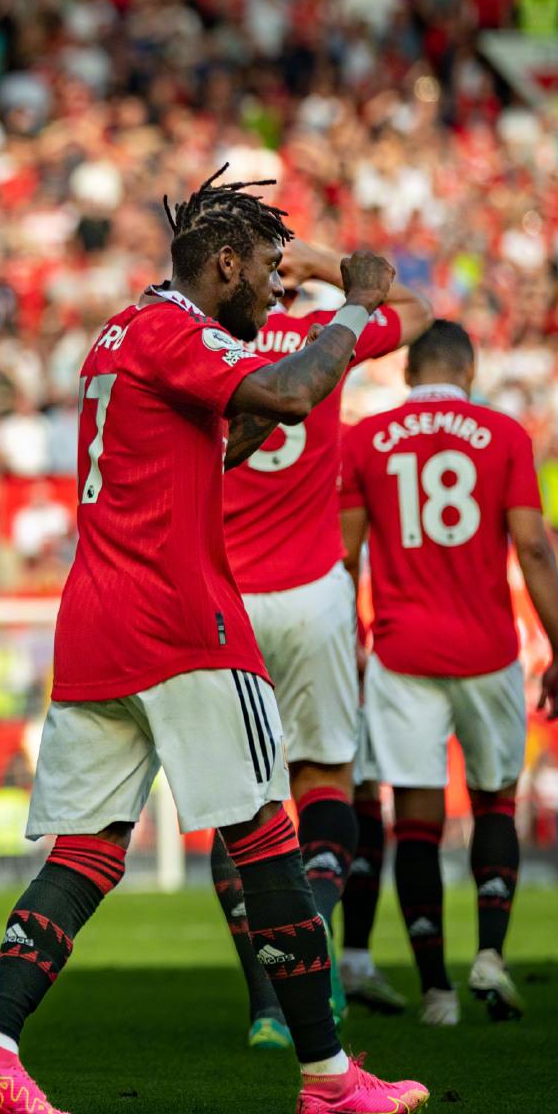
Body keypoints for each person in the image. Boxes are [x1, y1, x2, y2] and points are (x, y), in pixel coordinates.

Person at [0, 168, 428, 1114]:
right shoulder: (180, 330)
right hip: (184, 622)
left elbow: (207, 442)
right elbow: (290, 393)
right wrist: (355, 306)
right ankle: (328, 1078)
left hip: (97, 623)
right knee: (266, 834)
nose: (277, 296)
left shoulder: (123, 332)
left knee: (86, 850)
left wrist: (242, 420)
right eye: (270, 277)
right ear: (226, 262)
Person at [209, 239, 433, 1047]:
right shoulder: (323, 339)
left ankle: (268, 1003)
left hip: (226, 597)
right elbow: (419, 314)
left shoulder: (208, 338)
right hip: (312, 593)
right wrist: (327, 264)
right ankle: (318, 931)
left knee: (236, 803)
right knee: (326, 777)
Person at [339, 320, 558, 1026]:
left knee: (415, 816)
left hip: (403, 651)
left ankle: (436, 990)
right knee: (494, 801)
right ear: (468, 371)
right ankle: (491, 957)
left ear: (410, 374)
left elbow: (343, 556)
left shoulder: (364, 440)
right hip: (487, 650)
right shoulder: (505, 435)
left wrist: (348, 646)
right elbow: (532, 546)